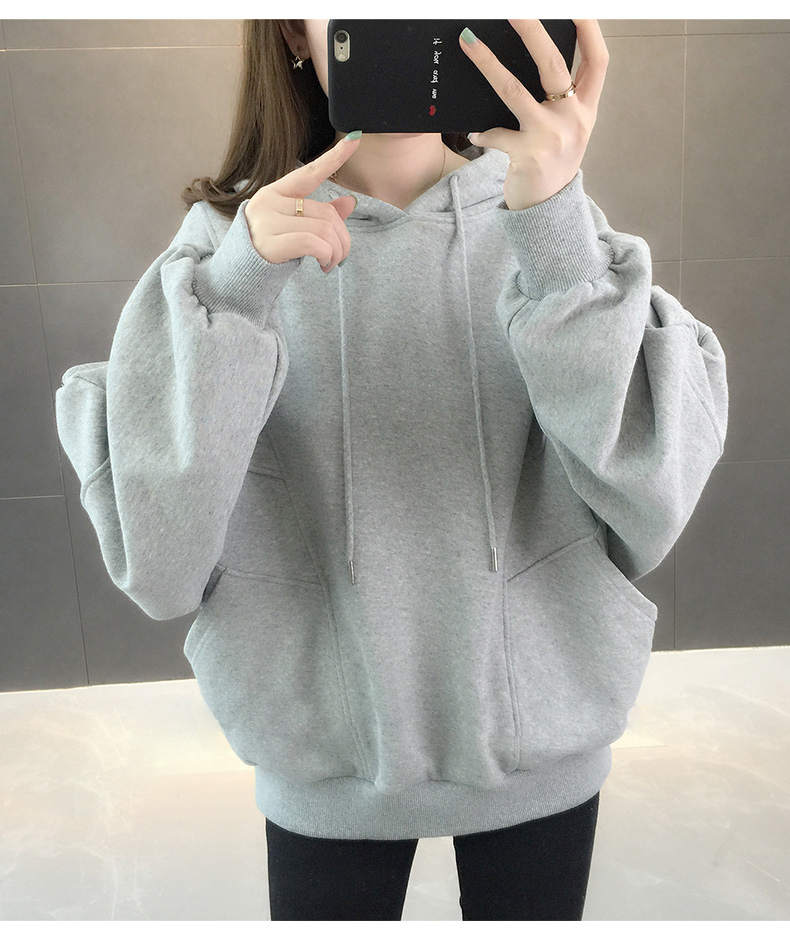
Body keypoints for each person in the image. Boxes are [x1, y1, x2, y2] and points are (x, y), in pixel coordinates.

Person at [54, 19, 728, 920]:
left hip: (544, 749)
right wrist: (238, 292)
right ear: (294, 31)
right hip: (322, 761)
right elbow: (162, 569)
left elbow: (650, 505)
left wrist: (554, 228)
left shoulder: (549, 221)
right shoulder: (220, 256)